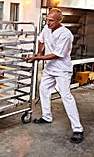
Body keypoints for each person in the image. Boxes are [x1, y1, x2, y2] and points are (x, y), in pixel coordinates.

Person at [27, 8, 84, 144]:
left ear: (60, 20)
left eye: (51, 20)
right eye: (47, 19)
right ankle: (46, 117)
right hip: (50, 67)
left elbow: (57, 54)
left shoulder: (66, 34)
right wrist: (40, 52)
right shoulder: (47, 28)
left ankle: (78, 129)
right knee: (44, 90)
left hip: (62, 69)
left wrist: (37, 58)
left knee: (66, 96)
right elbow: (42, 40)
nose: (48, 22)